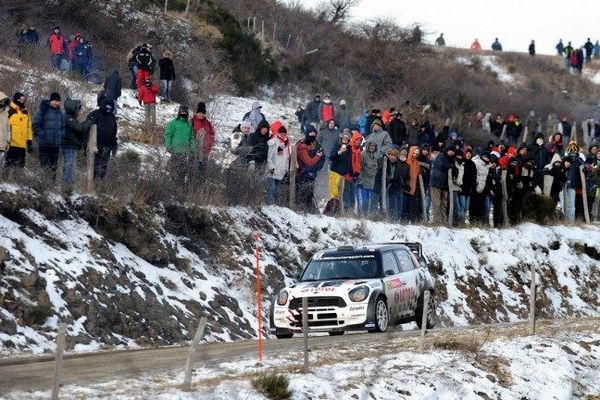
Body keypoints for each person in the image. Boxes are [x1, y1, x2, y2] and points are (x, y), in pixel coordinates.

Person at [32, 92, 65, 178]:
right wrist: (42, 134)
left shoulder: (60, 113)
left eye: (58, 101)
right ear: (50, 101)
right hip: (44, 144)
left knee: (54, 168)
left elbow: (63, 127)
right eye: (54, 100)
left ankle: (51, 188)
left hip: (56, 145)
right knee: (45, 166)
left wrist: (61, 135)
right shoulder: (43, 109)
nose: (56, 102)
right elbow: (35, 123)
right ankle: (43, 186)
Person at [61, 99, 92, 186]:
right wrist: (89, 121)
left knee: (69, 167)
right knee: (69, 167)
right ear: (73, 109)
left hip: (70, 146)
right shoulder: (68, 118)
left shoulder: (70, 118)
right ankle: (67, 187)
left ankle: (67, 187)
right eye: (77, 109)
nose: (78, 111)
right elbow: (80, 129)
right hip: (69, 146)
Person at [87, 99, 118, 180]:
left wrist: (114, 144)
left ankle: (99, 186)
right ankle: (92, 186)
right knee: (95, 167)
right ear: (103, 105)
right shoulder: (95, 114)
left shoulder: (112, 117)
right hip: (96, 146)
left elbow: (114, 131)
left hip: (107, 146)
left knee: (103, 168)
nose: (109, 107)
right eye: (107, 106)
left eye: (111, 106)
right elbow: (87, 128)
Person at [296, 125, 325, 211]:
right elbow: (308, 161)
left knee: (309, 193)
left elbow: (322, 160)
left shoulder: (316, 145)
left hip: (312, 173)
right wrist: (317, 156)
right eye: (310, 133)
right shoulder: (301, 145)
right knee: (302, 193)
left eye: (314, 134)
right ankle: (302, 210)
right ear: (306, 134)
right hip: (301, 173)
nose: (312, 136)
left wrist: (313, 169)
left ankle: (309, 211)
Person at [324, 131, 353, 215]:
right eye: (343, 138)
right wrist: (339, 152)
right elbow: (331, 157)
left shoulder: (349, 149)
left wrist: (351, 173)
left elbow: (349, 162)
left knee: (340, 194)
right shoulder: (337, 145)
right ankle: (330, 212)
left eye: (347, 138)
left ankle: (334, 212)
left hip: (343, 174)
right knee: (334, 193)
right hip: (335, 172)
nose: (345, 139)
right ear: (341, 138)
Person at [164, 106, 195, 182]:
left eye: (185, 112)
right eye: (182, 112)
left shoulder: (189, 125)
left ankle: (180, 188)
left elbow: (192, 138)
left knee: (182, 173)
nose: (183, 113)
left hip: (185, 153)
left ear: (187, 113)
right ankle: (172, 188)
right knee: (173, 171)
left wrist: (193, 148)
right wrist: (168, 145)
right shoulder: (173, 123)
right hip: (174, 151)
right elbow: (168, 135)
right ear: (179, 113)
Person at [5, 92, 33, 169]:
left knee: (19, 169)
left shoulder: (25, 112)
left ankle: (17, 180)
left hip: (22, 146)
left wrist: (29, 141)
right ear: (16, 99)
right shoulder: (9, 110)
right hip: (11, 145)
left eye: (23, 99)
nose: (22, 101)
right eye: (20, 99)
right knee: (8, 167)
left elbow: (28, 127)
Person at [430, 144, 455, 224]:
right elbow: (442, 166)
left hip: (445, 185)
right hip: (436, 183)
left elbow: (453, 168)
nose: (451, 152)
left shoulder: (451, 159)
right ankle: (437, 222)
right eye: (450, 150)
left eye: (453, 151)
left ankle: (444, 222)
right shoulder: (440, 156)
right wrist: (451, 166)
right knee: (436, 203)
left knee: (444, 204)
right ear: (447, 150)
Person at [265, 123, 290, 205]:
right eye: (281, 134)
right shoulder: (272, 143)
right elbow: (269, 157)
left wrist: (286, 169)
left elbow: (286, 158)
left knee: (277, 191)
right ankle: (270, 205)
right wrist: (271, 168)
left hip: (280, 171)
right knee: (271, 189)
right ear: (278, 133)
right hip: (272, 170)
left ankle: (276, 206)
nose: (283, 136)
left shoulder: (286, 145)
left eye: (284, 134)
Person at [359, 141, 381, 216]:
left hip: (373, 181)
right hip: (364, 179)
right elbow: (360, 167)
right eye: (371, 145)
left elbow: (377, 167)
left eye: (374, 146)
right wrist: (360, 179)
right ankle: (363, 214)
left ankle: (370, 215)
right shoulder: (363, 155)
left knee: (371, 200)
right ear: (368, 146)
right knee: (365, 199)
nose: (372, 147)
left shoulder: (376, 156)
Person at [0, 92, 10, 167]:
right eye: (1, 101)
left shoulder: (6, 112)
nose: (2, 102)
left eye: (3, 101)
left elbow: (8, 128)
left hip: (2, 145)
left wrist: (8, 141)